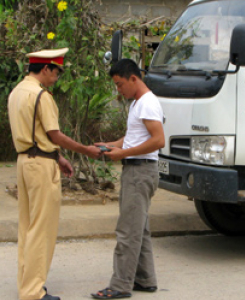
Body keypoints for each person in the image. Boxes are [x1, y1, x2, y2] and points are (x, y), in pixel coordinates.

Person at [8, 47, 102, 300]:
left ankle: (27, 284)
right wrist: (84, 150)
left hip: (24, 161)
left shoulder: (17, 92)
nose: (57, 76)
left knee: (27, 226)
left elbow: (34, 134)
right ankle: (34, 292)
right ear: (46, 68)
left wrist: (58, 156)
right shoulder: (41, 96)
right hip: (40, 167)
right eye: (56, 71)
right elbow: (55, 135)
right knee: (42, 228)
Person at [91, 58, 165, 299]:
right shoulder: (138, 103)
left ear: (134, 79)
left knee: (127, 231)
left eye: (120, 84)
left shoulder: (147, 104)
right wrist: (110, 145)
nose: (118, 90)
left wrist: (122, 153)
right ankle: (145, 279)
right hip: (138, 170)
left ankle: (120, 285)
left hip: (140, 171)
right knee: (138, 228)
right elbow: (134, 137)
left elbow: (158, 140)